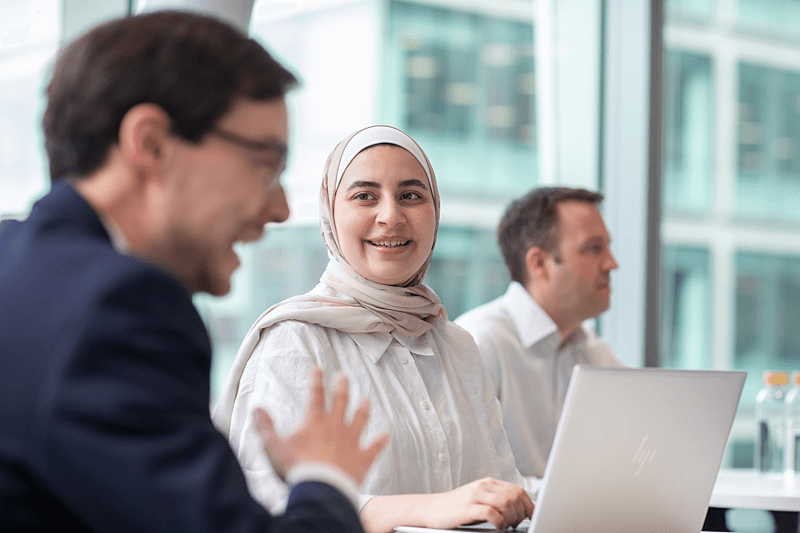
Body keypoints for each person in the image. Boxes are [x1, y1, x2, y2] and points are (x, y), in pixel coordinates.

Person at [0, 11, 387, 533]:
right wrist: (327, 478)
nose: (278, 208)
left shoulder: (17, 259)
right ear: (152, 143)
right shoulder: (115, 308)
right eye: (265, 163)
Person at [214, 125, 535, 533]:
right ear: (331, 213)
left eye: (411, 196)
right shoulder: (295, 341)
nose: (391, 216)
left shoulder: (458, 346)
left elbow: (499, 491)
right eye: (365, 196)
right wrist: (426, 510)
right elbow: (272, 508)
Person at [455, 187, 623, 481]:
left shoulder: (594, 351)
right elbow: (467, 483)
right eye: (594, 248)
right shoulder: (479, 344)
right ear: (539, 263)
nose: (612, 263)